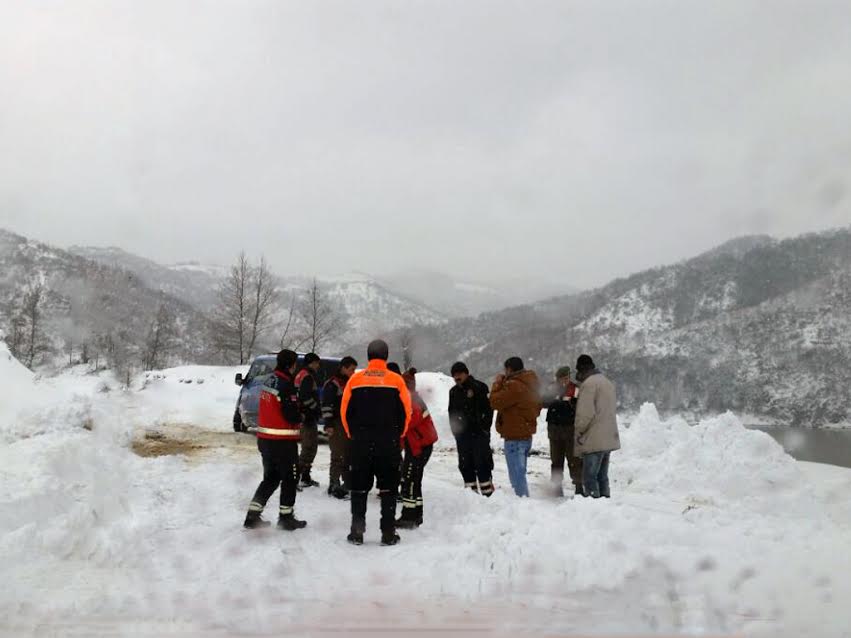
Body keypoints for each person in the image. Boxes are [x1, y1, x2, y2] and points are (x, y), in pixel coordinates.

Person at [341, 339, 412, 546]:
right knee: (389, 489)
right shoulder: (396, 380)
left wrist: (353, 435)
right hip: (387, 444)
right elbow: (406, 413)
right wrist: (397, 435)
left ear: (368, 356)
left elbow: (345, 413)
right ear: (386, 356)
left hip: (361, 443)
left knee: (359, 488)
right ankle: (388, 533)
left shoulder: (355, 380)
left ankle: (357, 532)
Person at [243, 349, 308, 531]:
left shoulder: (269, 379)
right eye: (295, 364)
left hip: (265, 439)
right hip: (282, 442)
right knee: (290, 479)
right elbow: (291, 415)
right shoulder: (286, 385)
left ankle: (252, 515)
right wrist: (301, 415)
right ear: (291, 364)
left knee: (270, 479)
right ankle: (286, 518)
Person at [490, 357, 541, 497]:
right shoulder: (531, 383)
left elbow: (495, 402)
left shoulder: (514, 386)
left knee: (516, 474)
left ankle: (522, 502)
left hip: (514, 436)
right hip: (525, 433)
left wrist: (497, 384)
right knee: (521, 471)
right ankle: (522, 501)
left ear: (509, 369)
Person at [396, 368, 439, 529]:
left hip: (419, 446)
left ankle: (409, 516)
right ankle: (417, 514)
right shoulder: (412, 398)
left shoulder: (411, 401)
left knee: (409, 479)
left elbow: (407, 424)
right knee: (414, 479)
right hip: (420, 444)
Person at [574, 354, 620, 499]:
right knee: (602, 476)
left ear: (581, 369)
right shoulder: (607, 382)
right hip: (608, 436)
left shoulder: (589, 385)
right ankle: (605, 504)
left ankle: (593, 506)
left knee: (590, 477)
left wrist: (579, 431)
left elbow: (585, 414)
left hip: (593, 438)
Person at [448, 362, 495, 496]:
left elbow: (488, 411)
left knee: (482, 463)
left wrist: (484, 428)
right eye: (454, 375)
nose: (457, 377)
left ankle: (488, 495)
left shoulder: (479, 387)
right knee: (465, 464)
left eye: (459, 374)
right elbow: (451, 413)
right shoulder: (453, 392)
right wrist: (456, 431)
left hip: (479, 434)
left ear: (466, 373)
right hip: (462, 436)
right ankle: (471, 495)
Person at [322, 356, 358, 500]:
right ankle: (334, 483)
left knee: (348, 455)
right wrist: (329, 424)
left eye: (355, 370)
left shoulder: (350, 383)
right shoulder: (333, 384)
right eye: (351, 369)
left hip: (348, 424)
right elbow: (326, 405)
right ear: (343, 368)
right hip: (336, 423)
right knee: (338, 454)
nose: (353, 372)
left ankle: (345, 483)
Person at [543, 366, 583, 497]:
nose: (564, 380)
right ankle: (556, 487)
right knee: (556, 461)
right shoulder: (551, 388)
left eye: (566, 377)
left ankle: (578, 486)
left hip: (570, 428)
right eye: (562, 378)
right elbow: (543, 402)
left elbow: (580, 405)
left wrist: (571, 402)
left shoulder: (575, 388)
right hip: (554, 429)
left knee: (574, 460)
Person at [295, 353, 322, 488]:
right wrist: (316, 408)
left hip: (305, 416)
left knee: (310, 447)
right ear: (311, 363)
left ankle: (305, 476)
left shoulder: (302, 374)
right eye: (317, 363)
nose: (318, 366)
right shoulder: (307, 376)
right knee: (309, 448)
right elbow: (305, 397)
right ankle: (296, 479)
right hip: (307, 417)